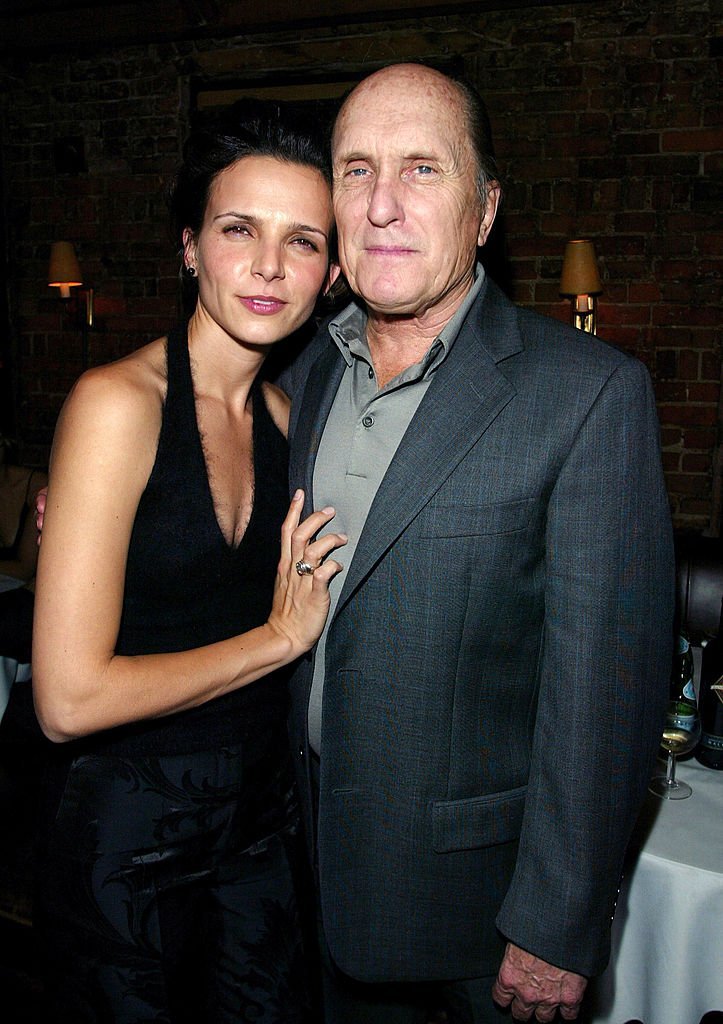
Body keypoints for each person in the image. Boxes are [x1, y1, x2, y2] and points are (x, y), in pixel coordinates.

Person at [279, 63, 675, 1024]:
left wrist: (554, 920)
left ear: (485, 209)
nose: (380, 205)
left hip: (471, 920)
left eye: (422, 170)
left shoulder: (584, 395)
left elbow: (606, 693)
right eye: (355, 169)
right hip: (292, 876)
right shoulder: (297, 373)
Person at [30, 106, 347, 1023]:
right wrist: (276, 639)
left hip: (260, 829)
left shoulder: (299, 427)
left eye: (302, 242)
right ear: (190, 247)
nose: (267, 266)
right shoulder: (116, 404)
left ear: (329, 275)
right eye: (238, 229)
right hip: (121, 837)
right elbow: (67, 702)